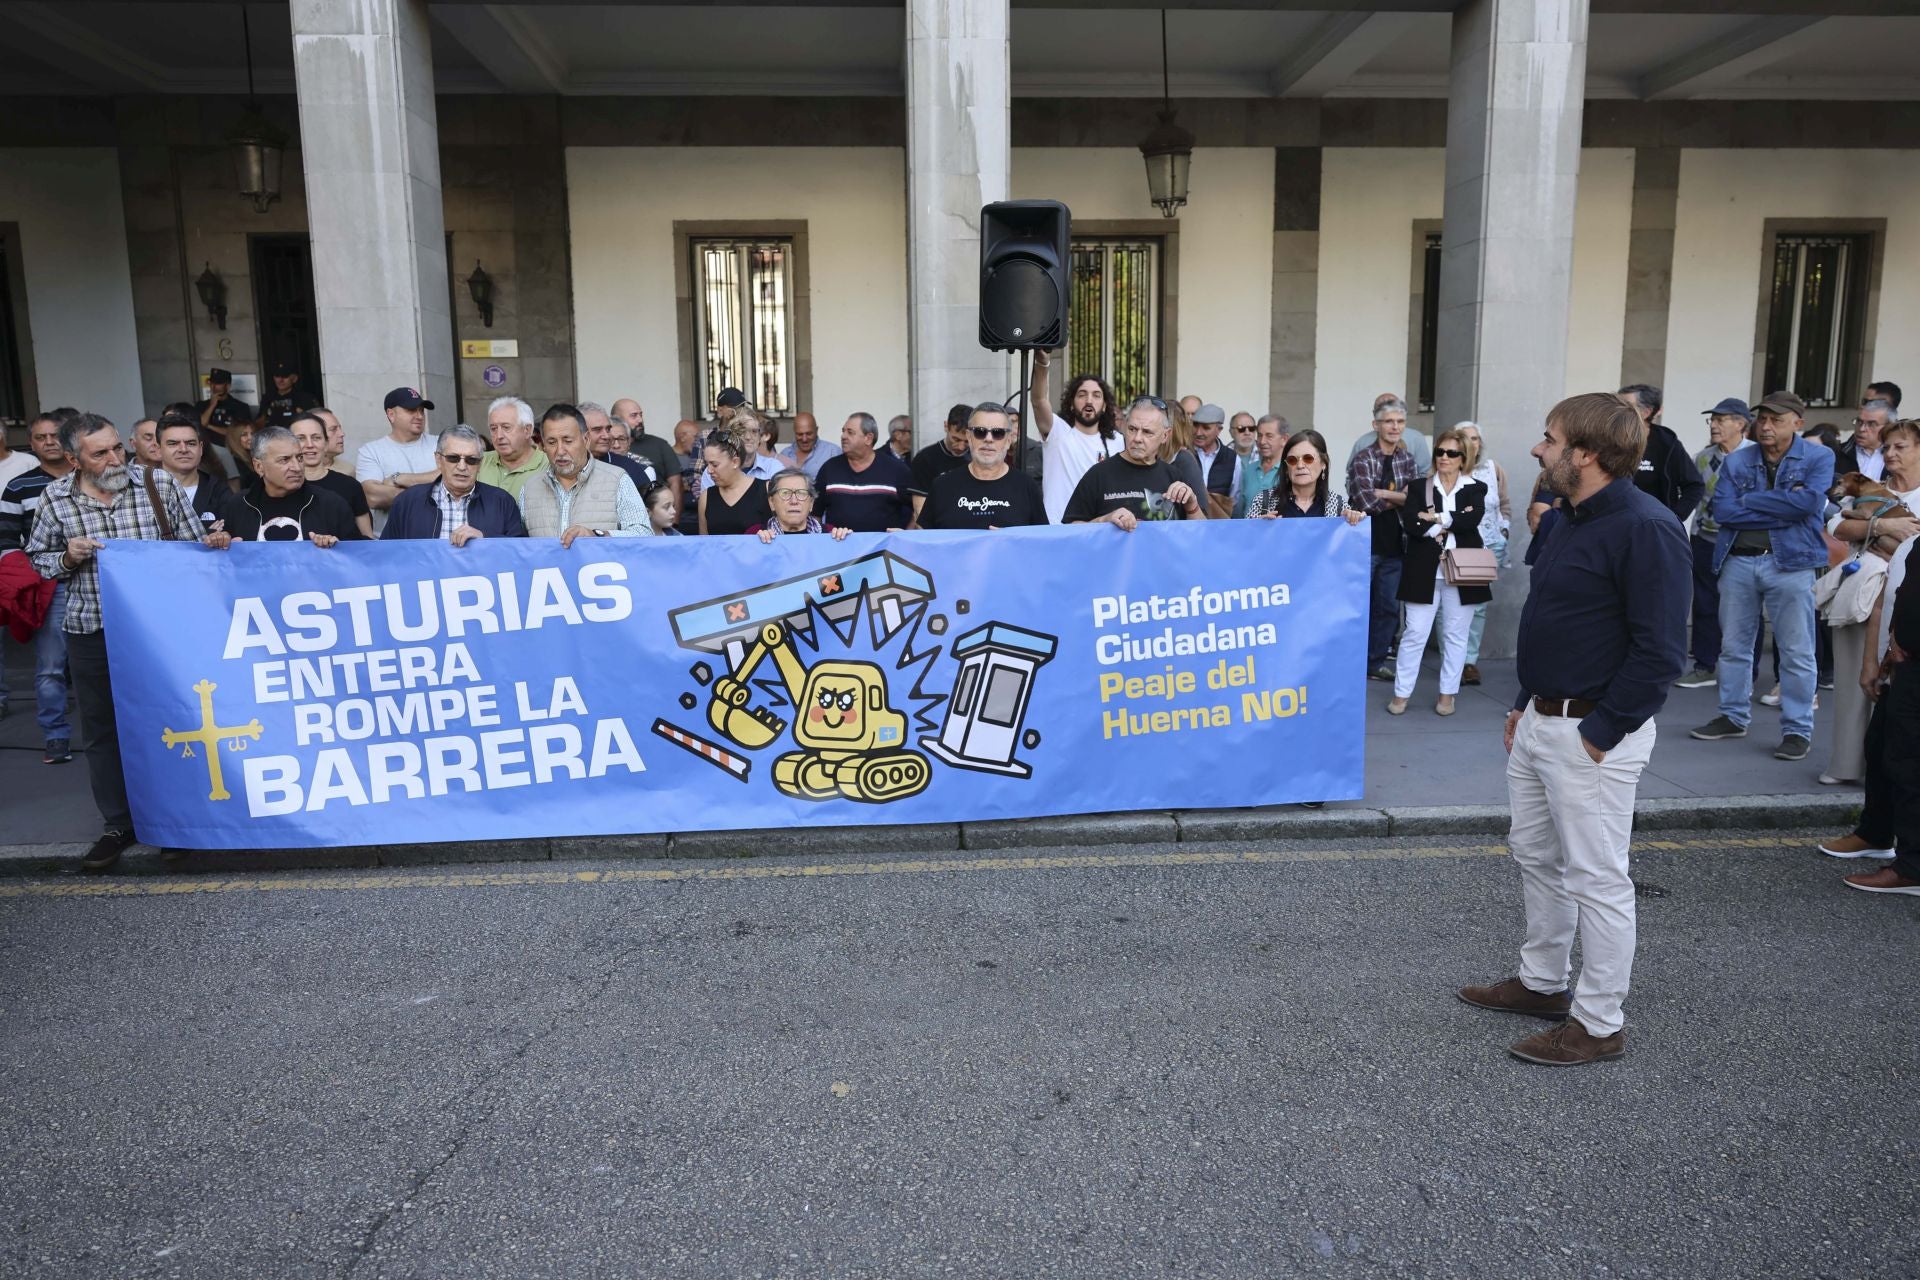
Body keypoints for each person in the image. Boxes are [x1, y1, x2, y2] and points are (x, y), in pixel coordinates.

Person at [1460, 391, 1688, 1066]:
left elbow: (1660, 653)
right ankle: (1541, 985)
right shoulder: (1565, 519)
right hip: (1538, 721)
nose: (1538, 448)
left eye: (1550, 439)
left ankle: (1597, 1024)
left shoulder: (1646, 528)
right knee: (1536, 855)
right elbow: (1552, 623)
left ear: (1586, 454)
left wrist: (1601, 732)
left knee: (1597, 879)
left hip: (1593, 735)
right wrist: (1526, 702)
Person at [25, 412, 233, 871]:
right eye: (100, 453)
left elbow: (193, 551)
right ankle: (119, 825)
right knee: (102, 731)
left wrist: (214, 542)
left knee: (168, 723)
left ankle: (173, 823)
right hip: (92, 630)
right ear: (74, 458)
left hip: (157, 635)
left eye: (117, 447)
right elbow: (37, 560)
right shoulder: (55, 499)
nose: (116, 458)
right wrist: (66, 556)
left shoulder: (157, 485)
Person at [1690, 392, 1833, 762]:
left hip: (1792, 563)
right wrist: (1783, 504)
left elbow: (1808, 505)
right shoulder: (1739, 460)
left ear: (1797, 423)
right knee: (1734, 646)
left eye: (1777, 420)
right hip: (1739, 560)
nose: (1767, 426)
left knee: (1796, 651)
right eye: (1763, 419)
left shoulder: (1819, 456)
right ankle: (1733, 716)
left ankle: (1797, 730)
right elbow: (1722, 512)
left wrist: (1750, 502)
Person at [1818, 419, 1920, 786]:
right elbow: (1836, 528)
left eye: (1901, 447)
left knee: (1901, 693)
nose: (1891, 454)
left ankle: (1890, 773)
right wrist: (1882, 527)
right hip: (1861, 596)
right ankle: (1846, 765)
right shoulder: (1871, 487)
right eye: (1887, 447)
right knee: (1853, 682)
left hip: (1907, 604)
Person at [1387, 427, 1489, 717]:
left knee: (1455, 635)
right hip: (1423, 570)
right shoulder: (1420, 487)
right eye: (1440, 452)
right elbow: (1410, 523)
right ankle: (1401, 694)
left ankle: (1447, 695)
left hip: (1463, 570)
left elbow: (1473, 521)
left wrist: (1434, 517)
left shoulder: (1475, 487)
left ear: (1463, 457)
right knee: (1414, 633)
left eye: (1452, 453)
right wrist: (1449, 521)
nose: (1444, 457)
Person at [1842, 521, 1920, 898]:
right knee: (1889, 752)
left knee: (1908, 762)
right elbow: (1892, 598)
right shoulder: (1914, 543)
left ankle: (1912, 867)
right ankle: (1884, 839)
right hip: (1905, 664)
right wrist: (1892, 642)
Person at [0, 410, 75, 762]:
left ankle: (117, 733)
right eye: (41, 437)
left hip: (103, 584)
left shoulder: (92, 478)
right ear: (31, 444)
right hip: (51, 586)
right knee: (50, 666)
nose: (49, 442)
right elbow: (5, 540)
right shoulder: (17, 487)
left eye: (55, 435)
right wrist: (26, 575)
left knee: (111, 663)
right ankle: (55, 734)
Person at [1675, 398, 1754, 689]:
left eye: (1722, 420)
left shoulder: (1754, 457)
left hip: (1739, 540)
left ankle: (1748, 673)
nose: (1715, 425)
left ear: (1741, 424)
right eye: (1713, 420)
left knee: (1746, 605)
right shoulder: (1703, 457)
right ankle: (1705, 666)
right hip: (1705, 538)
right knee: (1705, 603)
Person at [1348, 396, 1422, 682]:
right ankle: (1352, 662)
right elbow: (1366, 502)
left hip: (1397, 545)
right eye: (1389, 421)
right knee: (1359, 606)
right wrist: (1399, 497)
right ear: (1376, 425)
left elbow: (1415, 500)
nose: (1395, 427)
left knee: (1389, 608)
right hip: (1366, 544)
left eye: (1400, 421)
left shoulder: (1408, 459)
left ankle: (1375, 662)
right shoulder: (1363, 457)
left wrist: (1386, 493)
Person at [1061, 397, 1203, 528]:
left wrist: (1192, 504)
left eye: (1147, 432)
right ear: (1124, 427)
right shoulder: (1099, 474)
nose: (1137, 438)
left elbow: (1201, 536)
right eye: (1132, 429)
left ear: (1165, 436)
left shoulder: (1174, 476)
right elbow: (1070, 530)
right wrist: (1104, 520)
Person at [519, 404, 652, 542]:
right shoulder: (530, 488)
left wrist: (597, 535)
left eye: (568, 441)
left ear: (586, 440)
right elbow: (518, 547)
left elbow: (644, 534)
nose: (560, 451)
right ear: (543, 446)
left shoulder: (616, 480)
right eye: (552, 442)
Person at [382, 424, 527, 544]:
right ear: (438, 460)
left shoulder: (502, 502)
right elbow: (387, 555)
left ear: (480, 464)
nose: (462, 466)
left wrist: (485, 539)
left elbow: (520, 551)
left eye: (471, 460)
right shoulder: (408, 502)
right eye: (453, 458)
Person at [218, 426, 360, 544]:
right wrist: (220, 542)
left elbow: (358, 555)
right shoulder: (238, 506)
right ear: (259, 466)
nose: (297, 467)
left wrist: (336, 547)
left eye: (299, 458)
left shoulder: (331, 504)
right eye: (284, 460)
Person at [919, 404, 1048, 530]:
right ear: (969, 437)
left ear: (1008, 440)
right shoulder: (942, 486)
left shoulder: (1026, 486)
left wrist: (1012, 540)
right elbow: (923, 538)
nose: (988, 439)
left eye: (998, 433)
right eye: (980, 432)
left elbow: (1042, 541)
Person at [1030, 354, 1124, 525]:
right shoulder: (1058, 432)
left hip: (1101, 530)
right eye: (1082, 395)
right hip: (1059, 529)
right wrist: (1042, 363)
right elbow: (1038, 400)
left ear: (1104, 406)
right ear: (1071, 404)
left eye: (1096, 395)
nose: (1089, 400)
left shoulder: (1117, 441)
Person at [1456, 422, 1511, 686]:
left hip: (1488, 546)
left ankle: (1469, 662)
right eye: (1466, 438)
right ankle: (1452, 659)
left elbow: (1504, 503)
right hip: (1457, 546)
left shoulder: (1492, 468)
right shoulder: (1448, 468)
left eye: (1476, 438)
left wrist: (1504, 530)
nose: (1472, 443)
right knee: (1453, 605)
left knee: (1477, 606)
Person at [1618, 383, 1706, 523]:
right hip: (1614, 525)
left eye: (1625, 406)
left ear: (1646, 412)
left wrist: (1672, 520)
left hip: (1651, 529)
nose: (1617, 411)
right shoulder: (1607, 441)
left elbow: (1694, 486)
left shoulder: (1667, 444)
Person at [356, 386, 439, 527]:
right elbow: (373, 497)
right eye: (411, 410)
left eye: (421, 410)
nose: (419, 416)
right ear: (391, 415)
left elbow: (450, 477)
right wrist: (433, 491)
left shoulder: (441, 442)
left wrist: (399, 478)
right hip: (392, 542)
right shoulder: (370, 451)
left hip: (434, 540)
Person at [816, 413, 913, 532]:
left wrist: (907, 536)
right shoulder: (829, 469)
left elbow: (920, 509)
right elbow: (815, 514)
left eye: (850, 432)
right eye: (843, 431)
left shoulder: (897, 470)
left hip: (883, 549)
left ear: (868, 438)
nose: (843, 436)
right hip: (839, 547)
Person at [1247, 429, 1365, 524]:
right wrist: (1257, 528)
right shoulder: (1263, 501)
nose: (1300, 465)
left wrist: (1355, 520)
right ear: (1286, 467)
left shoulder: (1339, 506)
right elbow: (1244, 544)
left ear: (1323, 463)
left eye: (1308, 459)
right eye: (1292, 460)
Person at [289, 413, 373, 539]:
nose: (310, 444)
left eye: (316, 437)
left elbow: (367, 540)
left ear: (326, 443)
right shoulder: (281, 488)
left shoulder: (350, 486)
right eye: (301, 438)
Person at [154, 412, 227, 530]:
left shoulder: (219, 490)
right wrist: (205, 534)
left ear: (201, 448)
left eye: (191, 443)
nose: (183, 449)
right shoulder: (142, 490)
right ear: (158, 450)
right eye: (173, 443)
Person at [698, 421, 773, 536]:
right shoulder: (706, 497)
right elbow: (704, 545)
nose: (709, 470)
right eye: (707, 464)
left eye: (714, 464)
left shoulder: (766, 490)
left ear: (735, 462)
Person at [910, 404, 974, 525]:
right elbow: (920, 510)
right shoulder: (925, 458)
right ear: (946, 426)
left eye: (967, 441)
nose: (961, 447)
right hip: (938, 527)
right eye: (956, 439)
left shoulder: (978, 457)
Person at [478, 396, 550, 500]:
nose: (499, 436)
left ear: (527, 430)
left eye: (506, 427)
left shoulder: (548, 467)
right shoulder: (479, 461)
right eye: (493, 429)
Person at [611, 398, 682, 500]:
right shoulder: (604, 448)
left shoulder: (659, 445)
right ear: (617, 418)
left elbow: (676, 484)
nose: (640, 420)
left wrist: (673, 515)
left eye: (641, 415)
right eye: (634, 415)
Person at [754, 469, 852, 542]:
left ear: (811, 503)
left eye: (801, 493)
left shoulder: (831, 534)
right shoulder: (755, 534)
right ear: (772, 502)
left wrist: (846, 541)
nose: (794, 501)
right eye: (785, 493)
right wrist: (756, 545)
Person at [1347, 395, 1432, 473]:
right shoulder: (1363, 444)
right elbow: (1352, 478)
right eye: (1388, 421)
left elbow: (1425, 473)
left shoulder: (1415, 440)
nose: (1395, 427)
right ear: (1375, 415)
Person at [582, 401, 657, 489]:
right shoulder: (566, 465)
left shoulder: (630, 468)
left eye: (608, 429)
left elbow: (649, 501)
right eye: (597, 429)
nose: (606, 436)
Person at [193, 367, 253, 470]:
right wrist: (212, 405)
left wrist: (210, 426)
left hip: (232, 453)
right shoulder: (201, 406)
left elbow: (236, 432)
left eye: (218, 383)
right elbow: (200, 424)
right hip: (207, 453)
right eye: (212, 383)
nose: (214, 386)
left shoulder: (240, 407)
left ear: (227, 386)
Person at [1189, 404, 1241, 520]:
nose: (1198, 432)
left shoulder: (1232, 458)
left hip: (1219, 527)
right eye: (1195, 425)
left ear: (1219, 430)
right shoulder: (1184, 454)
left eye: (1206, 428)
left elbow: (1234, 499)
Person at [1236, 415, 1287, 518]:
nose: (1262, 441)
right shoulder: (1249, 470)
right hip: (1248, 531)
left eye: (1269, 436)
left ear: (1284, 439)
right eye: (1259, 435)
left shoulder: (1290, 471)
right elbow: (1240, 510)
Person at [1837, 399, 1895, 478]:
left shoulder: (1898, 457)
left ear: (1889, 427)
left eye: (1871, 424)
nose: (1862, 429)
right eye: (1859, 422)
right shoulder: (1837, 454)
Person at [778, 410, 840, 481]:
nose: (804, 439)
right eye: (800, 434)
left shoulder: (832, 452)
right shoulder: (785, 454)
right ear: (794, 432)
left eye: (809, 434)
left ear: (816, 430)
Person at [259, 359, 319, 428]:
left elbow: (315, 422)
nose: (280, 380)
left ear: (294, 379)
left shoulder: (305, 398)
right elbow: (258, 424)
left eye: (285, 376)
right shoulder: (268, 398)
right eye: (277, 376)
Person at [672, 419, 703, 535]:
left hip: (699, 518)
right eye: (696, 437)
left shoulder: (699, 459)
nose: (698, 442)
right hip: (680, 519)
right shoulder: (668, 457)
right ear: (682, 437)